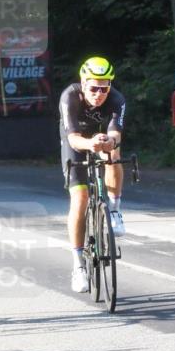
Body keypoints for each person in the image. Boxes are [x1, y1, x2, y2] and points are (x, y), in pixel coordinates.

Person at [59, 56, 127, 293]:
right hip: (78, 140)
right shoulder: (69, 97)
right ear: (83, 83)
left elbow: (116, 133)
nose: (99, 93)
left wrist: (109, 141)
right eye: (94, 88)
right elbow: (73, 139)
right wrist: (91, 144)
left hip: (102, 138)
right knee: (80, 199)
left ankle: (115, 209)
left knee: (114, 153)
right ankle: (78, 266)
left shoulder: (117, 100)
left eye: (104, 88)